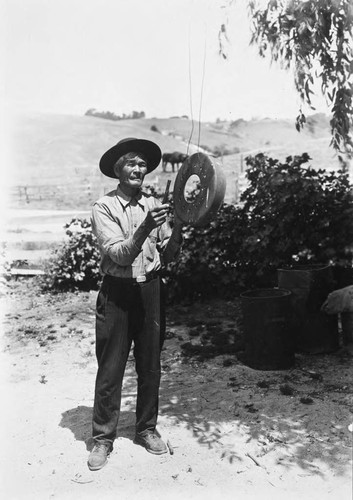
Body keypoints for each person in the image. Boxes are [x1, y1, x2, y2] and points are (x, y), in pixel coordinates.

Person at [88, 137, 183, 471]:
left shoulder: (152, 203)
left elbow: (168, 254)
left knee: (150, 364)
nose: (139, 169)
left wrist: (181, 223)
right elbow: (119, 254)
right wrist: (146, 226)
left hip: (150, 291)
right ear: (119, 170)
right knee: (111, 368)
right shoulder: (104, 207)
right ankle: (102, 438)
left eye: (142, 164)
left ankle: (146, 428)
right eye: (132, 163)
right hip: (117, 293)